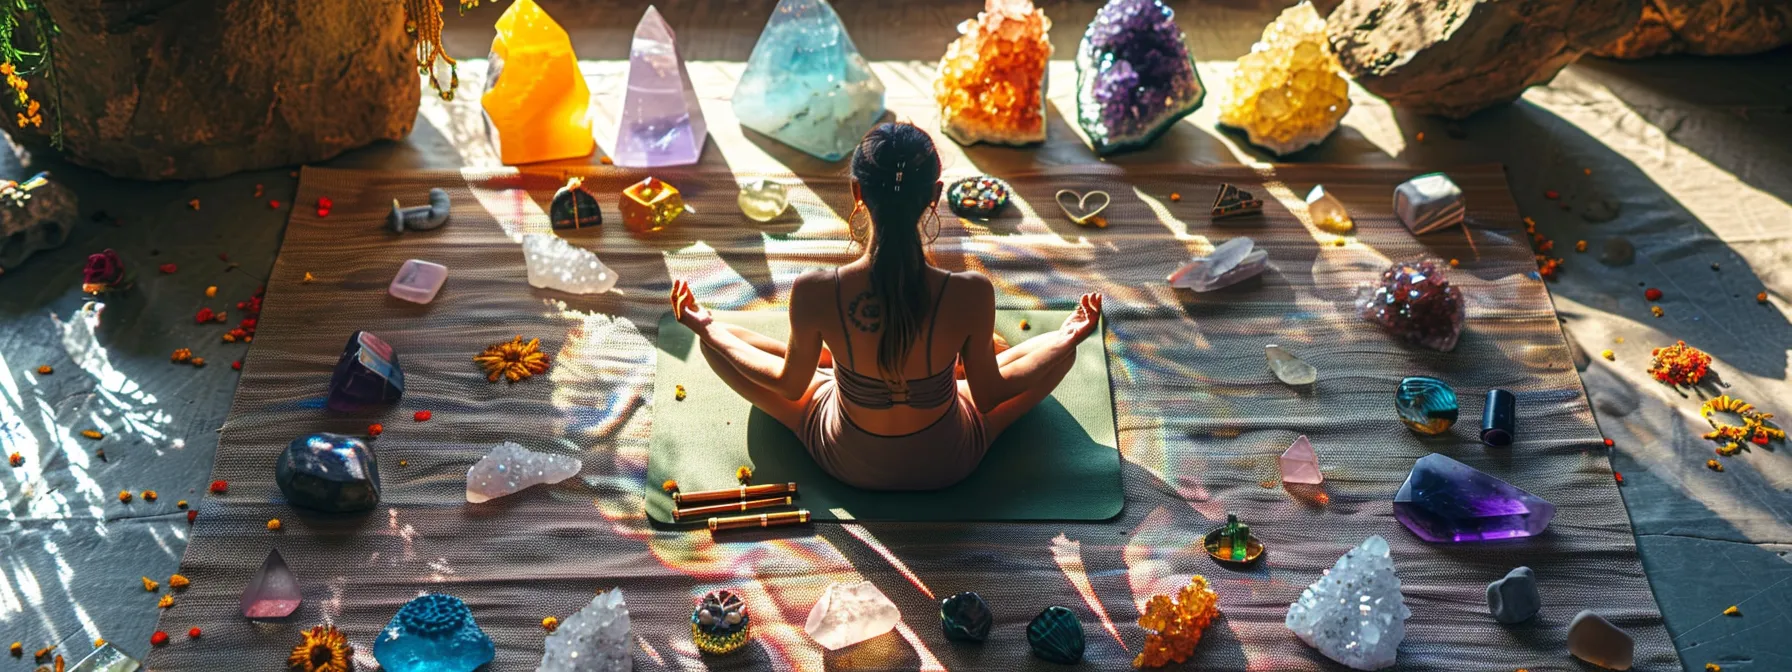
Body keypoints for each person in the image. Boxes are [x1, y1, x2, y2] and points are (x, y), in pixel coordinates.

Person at [671, 122, 1102, 490]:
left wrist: (707, 327)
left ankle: (826, 361)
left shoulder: (814, 291)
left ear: (857, 192)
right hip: (948, 462)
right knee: (1049, 353)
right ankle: (958, 361)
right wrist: (1067, 338)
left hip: (846, 459)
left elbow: (787, 386)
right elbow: (989, 397)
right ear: (934, 196)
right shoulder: (971, 292)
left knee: (724, 346)